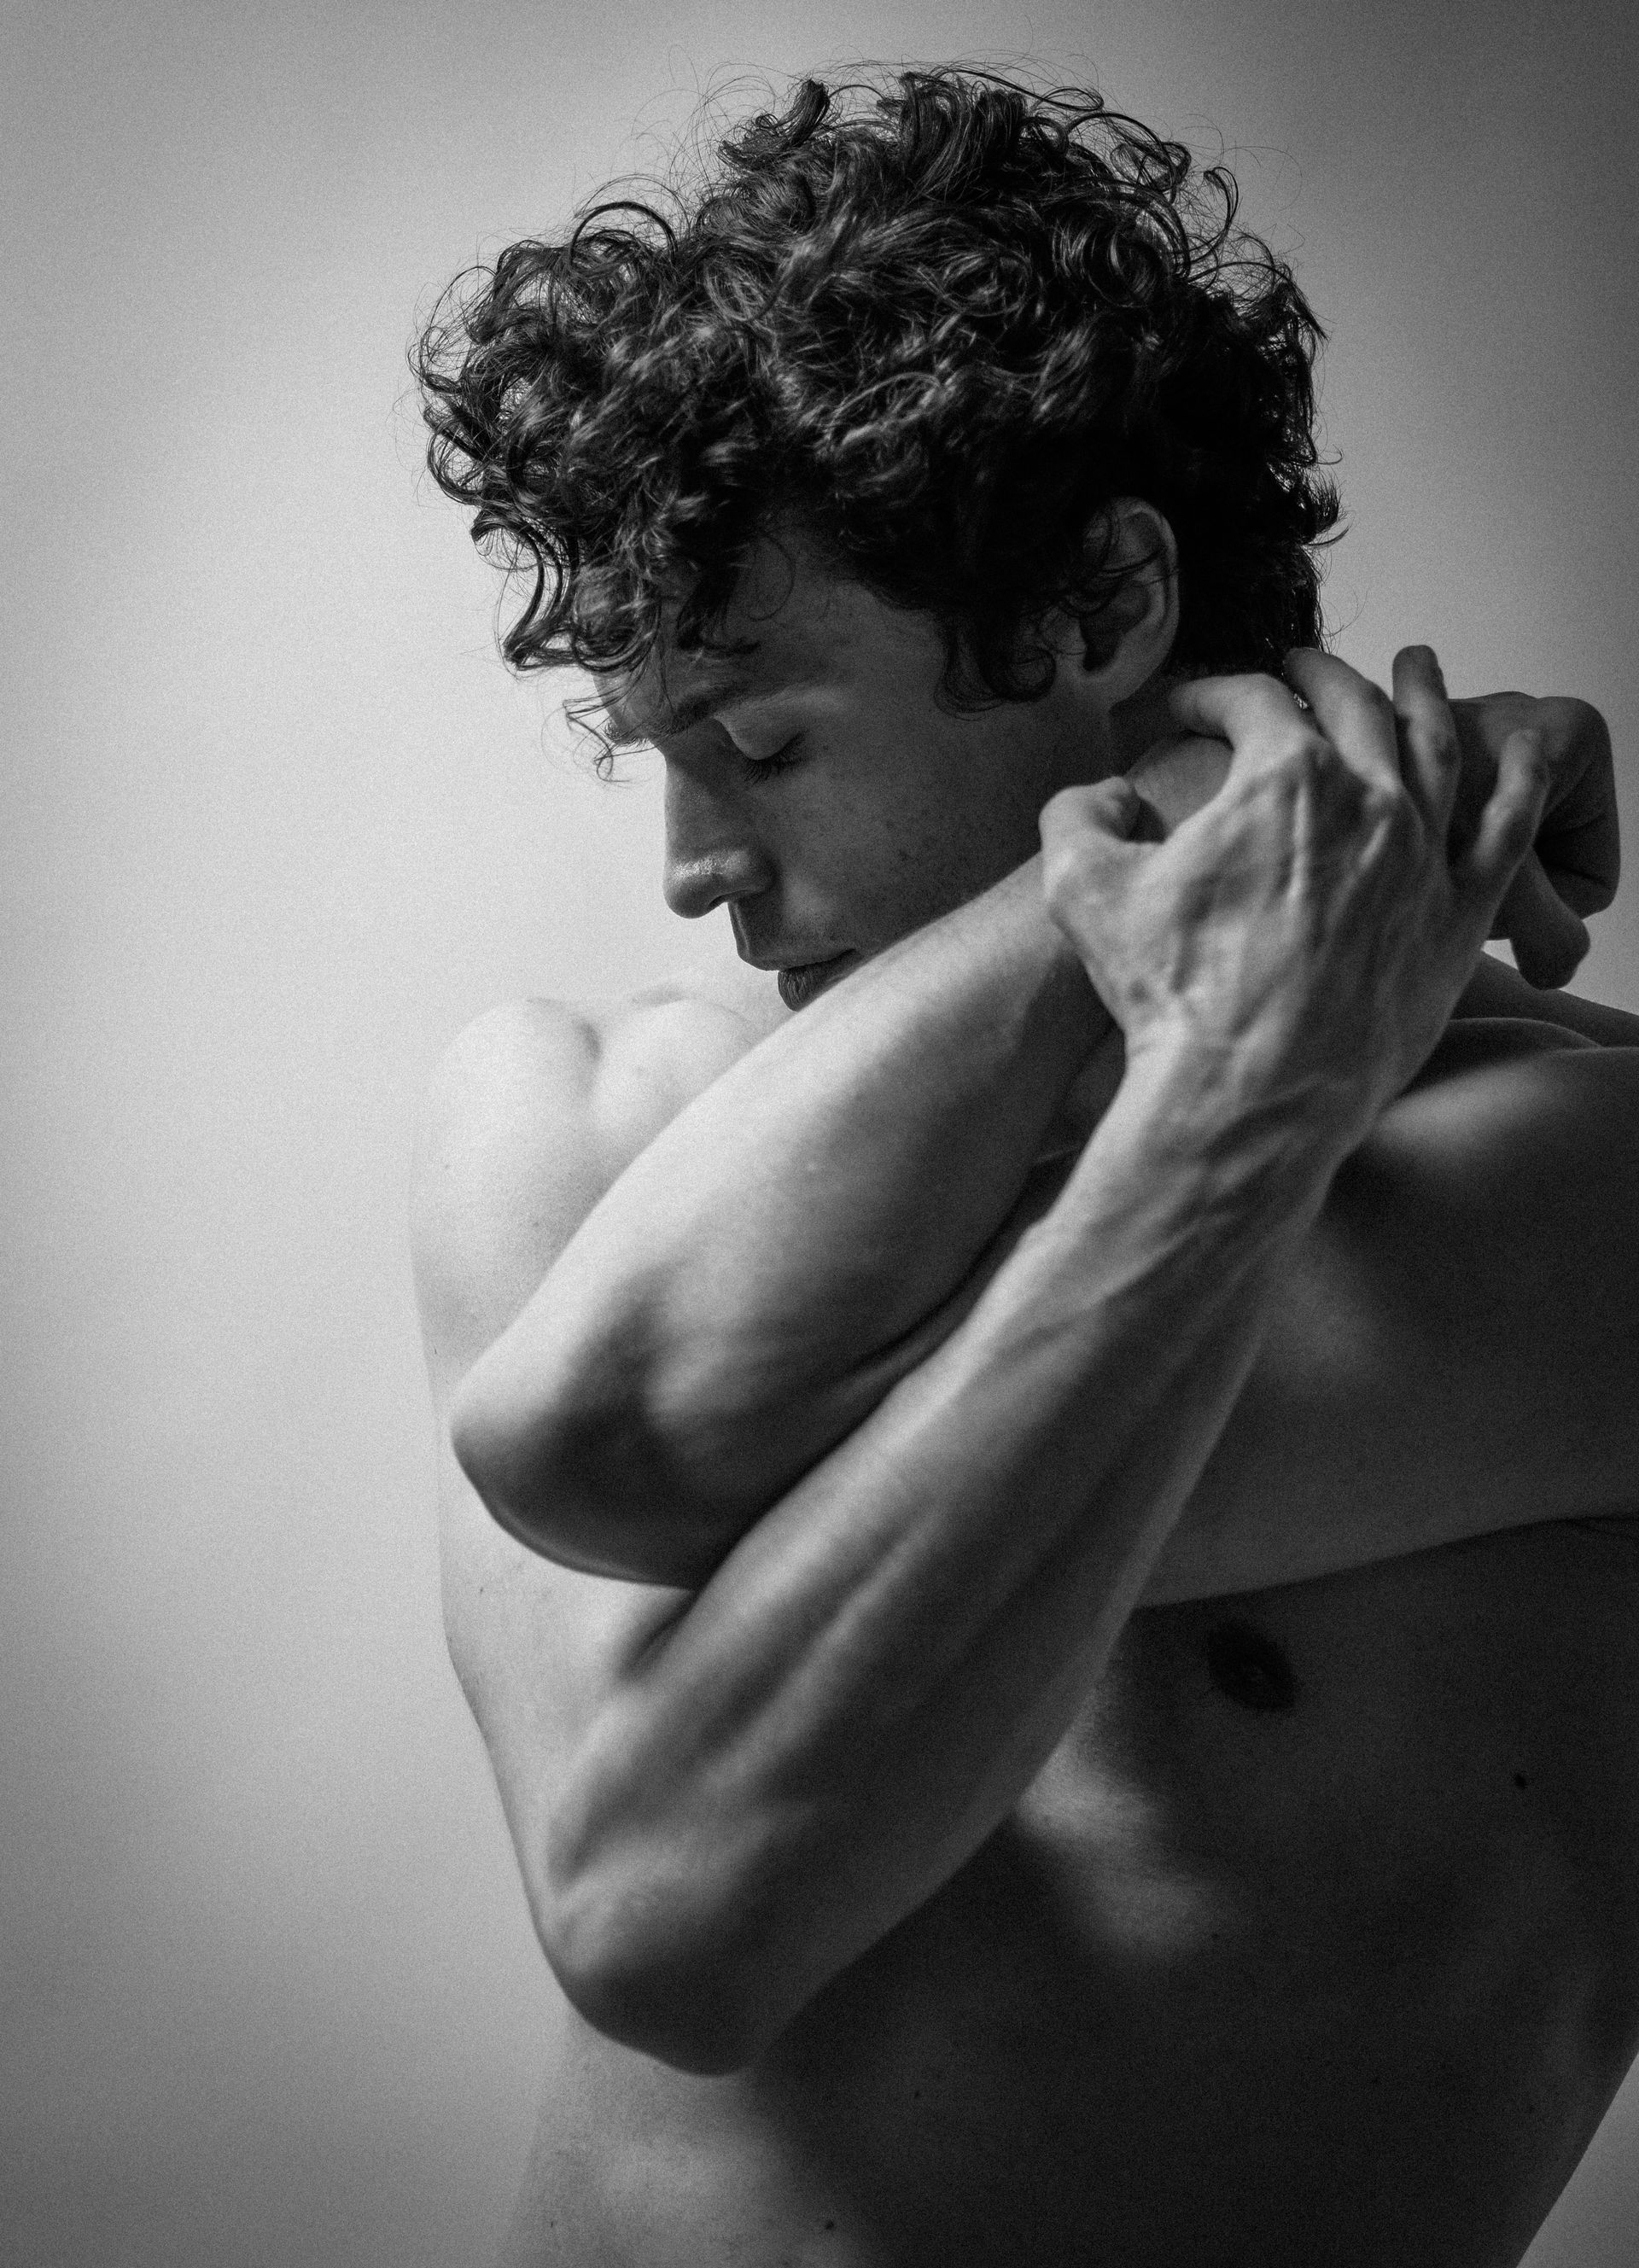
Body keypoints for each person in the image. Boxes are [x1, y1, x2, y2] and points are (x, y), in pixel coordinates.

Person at [410, 69, 1638, 2267]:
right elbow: (640, 1805)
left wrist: (1243, 1091)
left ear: (1098, 607)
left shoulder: (1595, 1195)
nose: (691, 870)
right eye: (653, 754)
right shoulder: (572, 1109)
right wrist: (1192, 837)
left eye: (761, 741)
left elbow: (684, 1886)